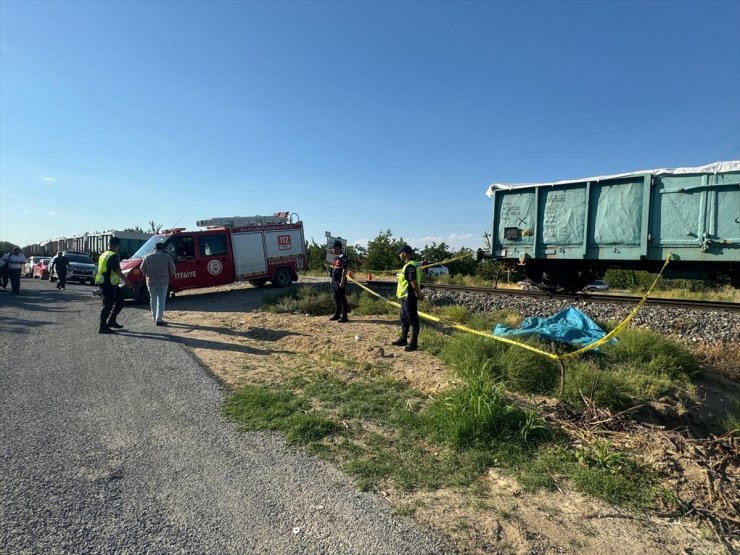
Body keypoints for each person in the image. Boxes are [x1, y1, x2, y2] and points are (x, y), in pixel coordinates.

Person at [95, 237, 133, 334]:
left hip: (110, 283)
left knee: (120, 302)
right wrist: (127, 281)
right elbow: (117, 270)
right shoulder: (113, 256)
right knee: (107, 305)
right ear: (117, 245)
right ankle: (102, 326)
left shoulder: (104, 254)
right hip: (108, 284)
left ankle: (111, 321)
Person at [392, 244, 424, 351]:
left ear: (405, 253)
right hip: (404, 297)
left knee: (413, 320)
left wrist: (419, 294)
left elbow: (413, 282)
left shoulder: (410, 266)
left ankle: (413, 343)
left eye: (400, 253)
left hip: (409, 297)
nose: (399, 256)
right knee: (404, 319)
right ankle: (403, 339)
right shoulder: (407, 266)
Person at [140, 242, 176, 326]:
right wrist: (170, 274)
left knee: (153, 299)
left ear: (154, 248)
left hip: (151, 281)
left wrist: (147, 273)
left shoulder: (147, 257)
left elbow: (142, 268)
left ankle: (154, 316)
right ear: (163, 248)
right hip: (163, 281)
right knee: (161, 301)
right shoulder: (167, 257)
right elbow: (173, 268)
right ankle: (159, 319)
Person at [328, 239, 349, 323]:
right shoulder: (337, 257)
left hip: (340, 281)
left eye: (334, 248)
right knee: (336, 298)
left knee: (342, 298)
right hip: (335, 280)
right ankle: (337, 315)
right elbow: (334, 268)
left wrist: (342, 282)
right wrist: (332, 279)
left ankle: (344, 317)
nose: (333, 250)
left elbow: (344, 270)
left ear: (337, 248)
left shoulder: (343, 257)